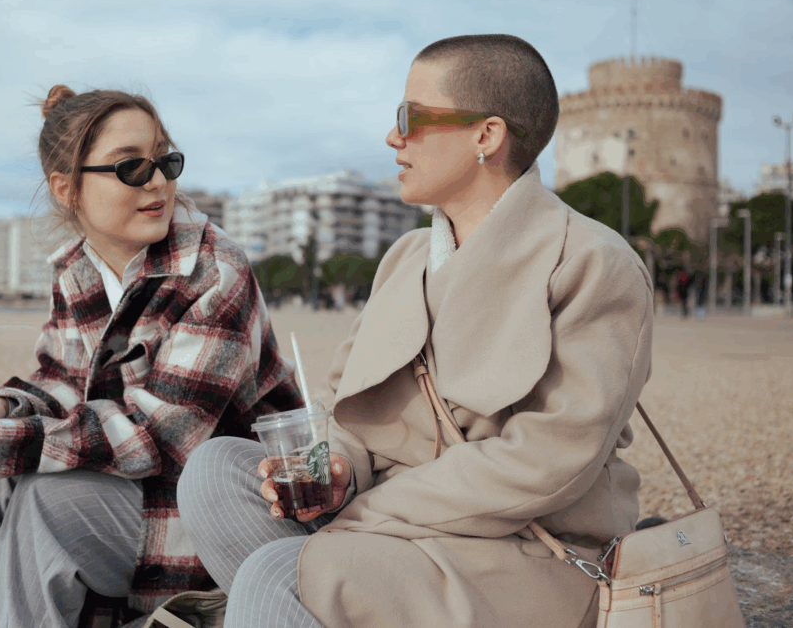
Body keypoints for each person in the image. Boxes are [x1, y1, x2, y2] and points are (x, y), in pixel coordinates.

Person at [177, 34, 654, 628]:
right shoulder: (405, 257)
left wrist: (364, 510)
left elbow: (551, 464)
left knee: (278, 574)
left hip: (524, 552)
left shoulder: (591, 262)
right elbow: (343, 410)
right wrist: (339, 470)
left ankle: (302, 594)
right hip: (396, 530)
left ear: (487, 135)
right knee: (215, 473)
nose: (393, 137)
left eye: (411, 117)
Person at [0, 85, 302, 628]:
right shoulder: (76, 269)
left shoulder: (215, 270)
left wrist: (6, 443)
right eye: (130, 167)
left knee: (45, 504)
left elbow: (162, 435)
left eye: (166, 160)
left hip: (224, 516)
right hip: (136, 495)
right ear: (68, 189)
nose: (157, 180)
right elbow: (60, 380)